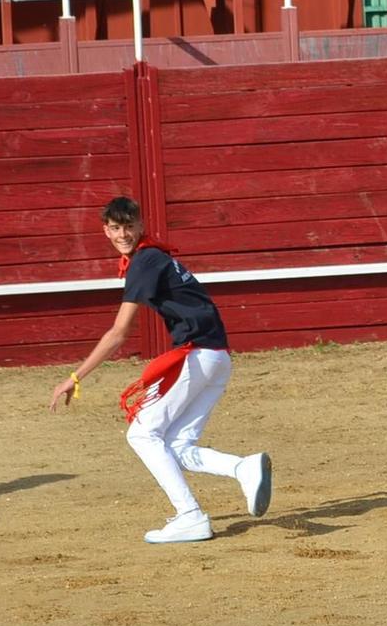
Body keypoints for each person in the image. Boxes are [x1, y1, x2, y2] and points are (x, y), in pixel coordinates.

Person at [47, 197, 272, 543]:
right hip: (216, 357)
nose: (123, 234)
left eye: (129, 227)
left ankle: (190, 516)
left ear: (140, 226)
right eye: (116, 228)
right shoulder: (155, 257)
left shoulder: (145, 260)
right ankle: (242, 467)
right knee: (177, 445)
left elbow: (119, 333)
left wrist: (75, 377)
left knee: (142, 435)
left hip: (197, 355)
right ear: (106, 231)